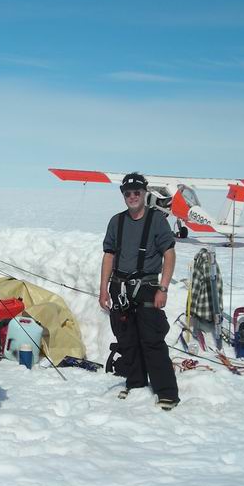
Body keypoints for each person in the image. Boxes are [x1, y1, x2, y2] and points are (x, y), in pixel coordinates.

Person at [99, 172, 180, 411]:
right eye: (128, 193)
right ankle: (135, 384)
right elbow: (109, 255)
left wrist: (163, 288)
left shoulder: (157, 220)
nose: (132, 197)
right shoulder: (116, 221)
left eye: (137, 192)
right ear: (123, 195)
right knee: (127, 339)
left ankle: (166, 392)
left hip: (146, 287)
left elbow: (169, 254)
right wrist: (103, 289)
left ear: (144, 193)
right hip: (120, 287)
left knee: (152, 340)